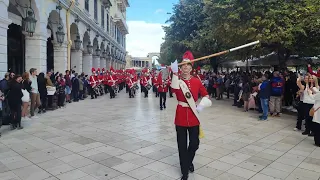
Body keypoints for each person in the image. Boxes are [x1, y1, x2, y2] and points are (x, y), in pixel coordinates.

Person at [170, 51, 212, 180]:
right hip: (181, 117)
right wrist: (174, 73)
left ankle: (188, 162)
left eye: (188, 65)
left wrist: (200, 107)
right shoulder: (177, 81)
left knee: (194, 144)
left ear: (191, 67)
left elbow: (206, 95)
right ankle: (185, 171)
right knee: (182, 146)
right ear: (181, 68)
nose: (186, 67)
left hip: (194, 116)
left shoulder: (196, 81)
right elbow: (174, 89)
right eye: (183, 66)